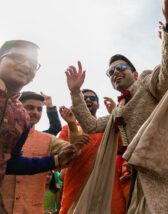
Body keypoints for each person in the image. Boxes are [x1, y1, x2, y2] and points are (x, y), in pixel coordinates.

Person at [65, 0, 168, 213]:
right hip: (140, 180)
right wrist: (75, 93)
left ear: (134, 74)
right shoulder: (118, 110)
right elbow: (90, 125)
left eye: (121, 67)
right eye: (111, 72)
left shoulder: (147, 82)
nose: (115, 72)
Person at [0, 40, 86, 213]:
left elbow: (10, 163)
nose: (25, 64)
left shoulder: (20, 117)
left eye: (32, 63)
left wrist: (54, 161)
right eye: (17, 57)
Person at [0, 91, 88, 213]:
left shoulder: (48, 139)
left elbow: (74, 152)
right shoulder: (3, 136)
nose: (35, 112)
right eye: (30, 107)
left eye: (39, 109)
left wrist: (72, 125)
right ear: (18, 108)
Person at [58, 90, 127, 214]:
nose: (88, 100)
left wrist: (115, 118)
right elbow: (61, 158)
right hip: (76, 186)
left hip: (107, 187)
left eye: (92, 98)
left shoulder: (107, 127)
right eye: (84, 98)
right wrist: (72, 125)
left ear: (98, 105)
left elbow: (123, 147)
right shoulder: (67, 128)